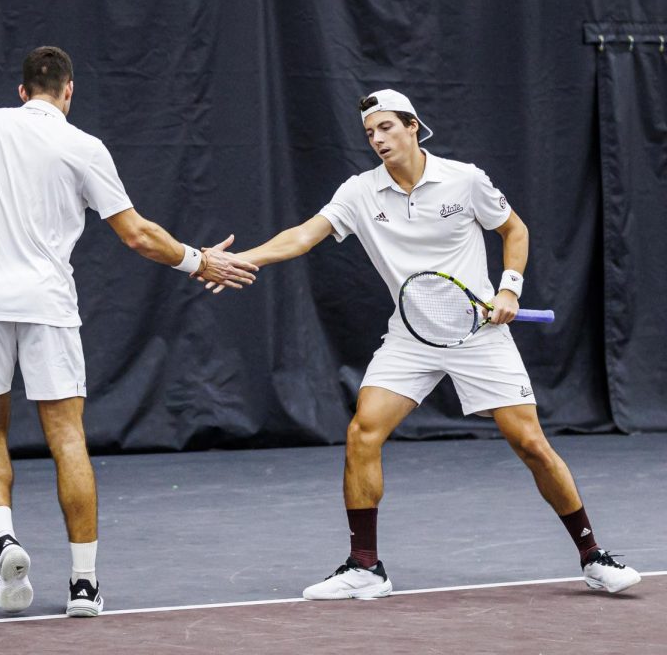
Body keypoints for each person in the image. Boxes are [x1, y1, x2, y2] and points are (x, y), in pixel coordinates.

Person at [0, 46, 258, 617]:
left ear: (23, 90)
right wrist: (199, 261)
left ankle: (5, 541)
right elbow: (137, 234)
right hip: (46, 306)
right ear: (69, 92)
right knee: (68, 437)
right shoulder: (84, 146)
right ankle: (83, 584)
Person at [225, 89, 641, 600]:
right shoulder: (359, 192)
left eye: (386, 128)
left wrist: (510, 286)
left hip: (479, 334)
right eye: (370, 132)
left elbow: (514, 229)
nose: (377, 138)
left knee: (531, 444)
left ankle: (593, 555)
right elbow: (303, 236)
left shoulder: (464, 180)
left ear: (413, 126)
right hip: (411, 336)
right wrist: (247, 259)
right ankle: (365, 566)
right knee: (363, 433)